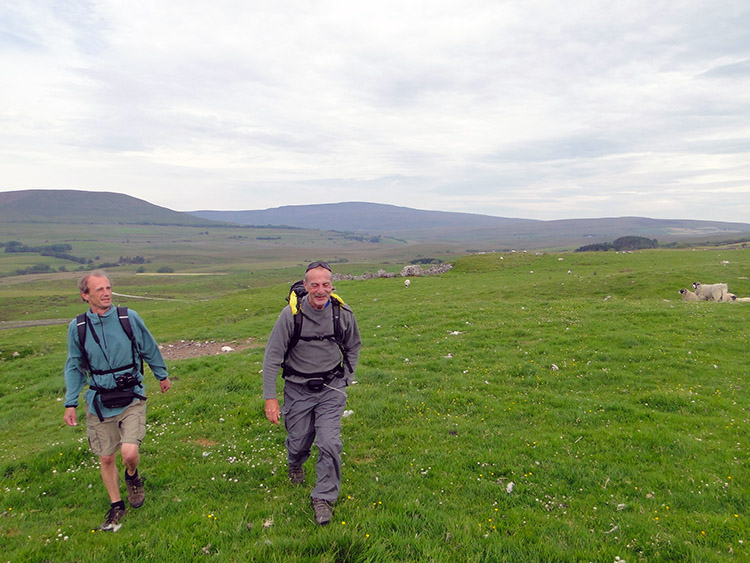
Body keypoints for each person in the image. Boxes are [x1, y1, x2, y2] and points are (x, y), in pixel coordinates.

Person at [63, 271, 171, 532]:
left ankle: (132, 475)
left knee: (129, 453)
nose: (106, 293)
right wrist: (70, 402)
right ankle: (116, 506)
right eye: (99, 289)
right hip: (99, 399)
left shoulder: (127, 317)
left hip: (132, 394)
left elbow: (148, 346)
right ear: (85, 295)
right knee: (107, 458)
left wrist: (162, 374)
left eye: (108, 288)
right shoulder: (78, 328)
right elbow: (75, 365)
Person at [263, 261, 362, 525]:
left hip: (331, 388)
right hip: (297, 389)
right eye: (315, 284)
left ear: (332, 286)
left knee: (329, 442)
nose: (321, 290)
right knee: (299, 440)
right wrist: (270, 397)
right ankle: (295, 461)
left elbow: (353, 346)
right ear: (305, 287)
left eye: (326, 284)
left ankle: (323, 498)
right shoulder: (290, 315)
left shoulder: (343, 314)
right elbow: (272, 357)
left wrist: (346, 379)